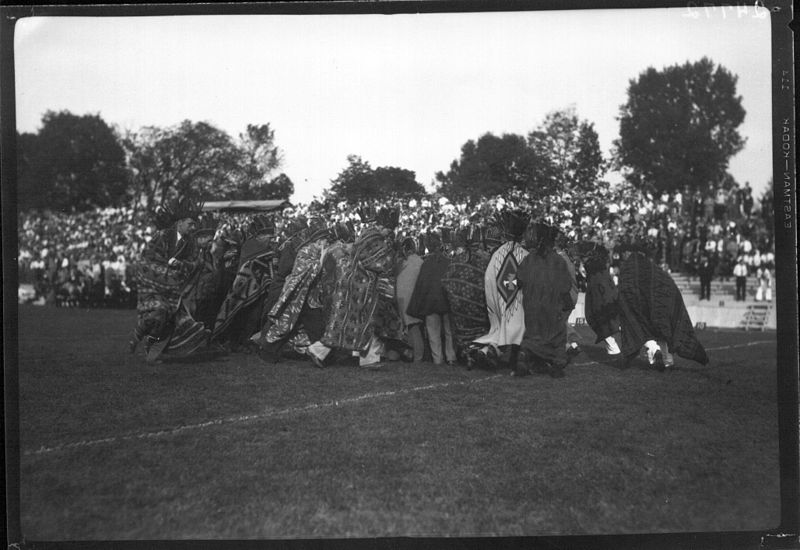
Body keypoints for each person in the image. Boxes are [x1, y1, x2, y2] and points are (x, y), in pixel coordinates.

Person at [128, 197, 213, 362]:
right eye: (190, 224)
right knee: (159, 311)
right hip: (152, 284)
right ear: (180, 223)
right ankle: (138, 336)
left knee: (166, 318)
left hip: (172, 289)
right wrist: (168, 272)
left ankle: (147, 347)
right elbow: (147, 260)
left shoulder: (189, 243)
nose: (193, 227)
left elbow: (194, 263)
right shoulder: (162, 236)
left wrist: (180, 265)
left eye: (194, 224)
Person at [616, 244, 709, 371]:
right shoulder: (652, 268)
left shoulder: (630, 268)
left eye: (624, 253)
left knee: (638, 327)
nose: (623, 256)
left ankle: (654, 350)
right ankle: (667, 361)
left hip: (647, 303)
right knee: (663, 331)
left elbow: (627, 289)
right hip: (662, 302)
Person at [514, 222, 576, 378]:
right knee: (557, 336)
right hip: (551, 307)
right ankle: (557, 365)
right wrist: (567, 304)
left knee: (532, 335)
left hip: (531, 307)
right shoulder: (558, 261)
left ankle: (524, 355)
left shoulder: (529, 260)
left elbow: (517, 281)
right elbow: (565, 286)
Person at [472, 210, 529, 371]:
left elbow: (489, 278)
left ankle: (489, 350)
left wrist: (492, 301)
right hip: (517, 300)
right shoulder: (525, 254)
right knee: (518, 328)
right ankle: (513, 358)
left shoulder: (497, 254)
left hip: (497, 298)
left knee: (502, 329)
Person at [441, 226, 491, 368]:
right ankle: (479, 353)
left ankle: (470, 355)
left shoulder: (456, 261)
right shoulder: (483, 260)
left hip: (459, 305)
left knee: (463, 333)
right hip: (477, 305)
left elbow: (446, 280)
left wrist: (454, 295)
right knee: (480, 331)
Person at [407, 231, 457, 366]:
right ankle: (451, 357)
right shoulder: (449, 261)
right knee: (448, 331)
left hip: (430, 302)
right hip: (446, 301)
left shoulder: (426, 263)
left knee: (433, 332)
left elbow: (421, 285)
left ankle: (437, 359)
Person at [577, 241, 622, 357]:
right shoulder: (601, 264)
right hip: (607, 292)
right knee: (611, 320)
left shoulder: (592, 266)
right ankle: (614, 346)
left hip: (598, 294)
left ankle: (613, 347)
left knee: (596, 318)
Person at [395, 236, 425, 363]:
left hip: (403, 297)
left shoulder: (402, 262)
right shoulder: (419, 261)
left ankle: (417, 356)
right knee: (413, 326)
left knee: (411, 326)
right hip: (413, 297)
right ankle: (414, 355)